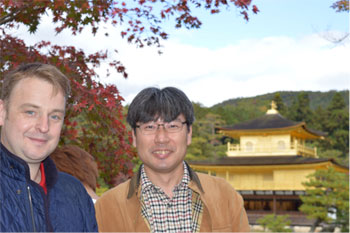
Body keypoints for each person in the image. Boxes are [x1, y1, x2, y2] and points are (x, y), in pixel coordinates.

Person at [95, 86, 249, 232]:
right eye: (149, 127)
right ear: (134, 137)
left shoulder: (224, 195)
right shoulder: (106, 207)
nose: (161, 138)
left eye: (173, 126)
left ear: (189, 134)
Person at [0, 63, 98, 232]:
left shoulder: (75, 193)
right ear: (2, 112)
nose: (44, 127)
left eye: (54, 116)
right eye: (31, 112)